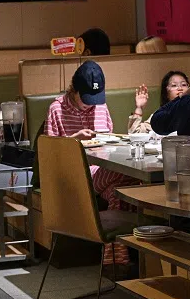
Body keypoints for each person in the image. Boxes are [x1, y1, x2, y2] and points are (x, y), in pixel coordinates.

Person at [44, 61, 136, 263]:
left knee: (118, 192)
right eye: (86, 98)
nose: (92, 103)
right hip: (75, 175)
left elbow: (109, 140)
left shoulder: (101, 107)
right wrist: (74, 140)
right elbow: (49, 156)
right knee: (131, 172)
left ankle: (115, 259)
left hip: (102, 172)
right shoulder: (56, 109)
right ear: (73, 90)